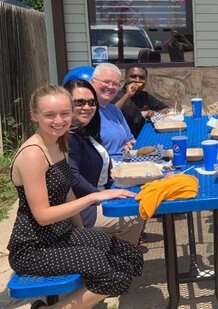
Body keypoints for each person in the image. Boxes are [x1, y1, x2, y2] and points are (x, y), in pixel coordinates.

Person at [7, 85, 143, 309]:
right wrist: (93, 198)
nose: (58, 120)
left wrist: (82, 232)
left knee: (130, 256)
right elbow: (42, 216)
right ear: (34, 115)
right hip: (34, 248)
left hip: (62, 235)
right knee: (116, 275)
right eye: (49, 115)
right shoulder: (33, 154)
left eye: (64, 113)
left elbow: (68, 192)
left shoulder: (59, 143)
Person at [65, 79, 145, 244]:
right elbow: (72, 176)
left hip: (98, 194)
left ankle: (117, 255)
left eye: (91, 102)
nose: (87, 107)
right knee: (135, 216)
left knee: (144, 195)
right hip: (82, 207)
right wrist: (101, 195)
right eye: (79, 103)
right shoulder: (68, 136)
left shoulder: (87, 131)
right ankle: (121, 261)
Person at [90, 63, 135, 160]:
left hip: (126, 163)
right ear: (92, 82)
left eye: (115, 84)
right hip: (106, 169)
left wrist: (130, 144)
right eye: (106, 81)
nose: (110, 87)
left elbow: (130, 138)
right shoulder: (87, 112)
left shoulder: (114, 109)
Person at [112, 64, 169, 138]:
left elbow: (165, 109)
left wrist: (154, 113)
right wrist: (128, 95)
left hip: (144, 135)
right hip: (123, 139)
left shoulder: (145, 96)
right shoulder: (115, 96)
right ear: (126, 78)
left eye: (142, 78)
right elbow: (111, 114)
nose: (137, 80)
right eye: (133, 76)